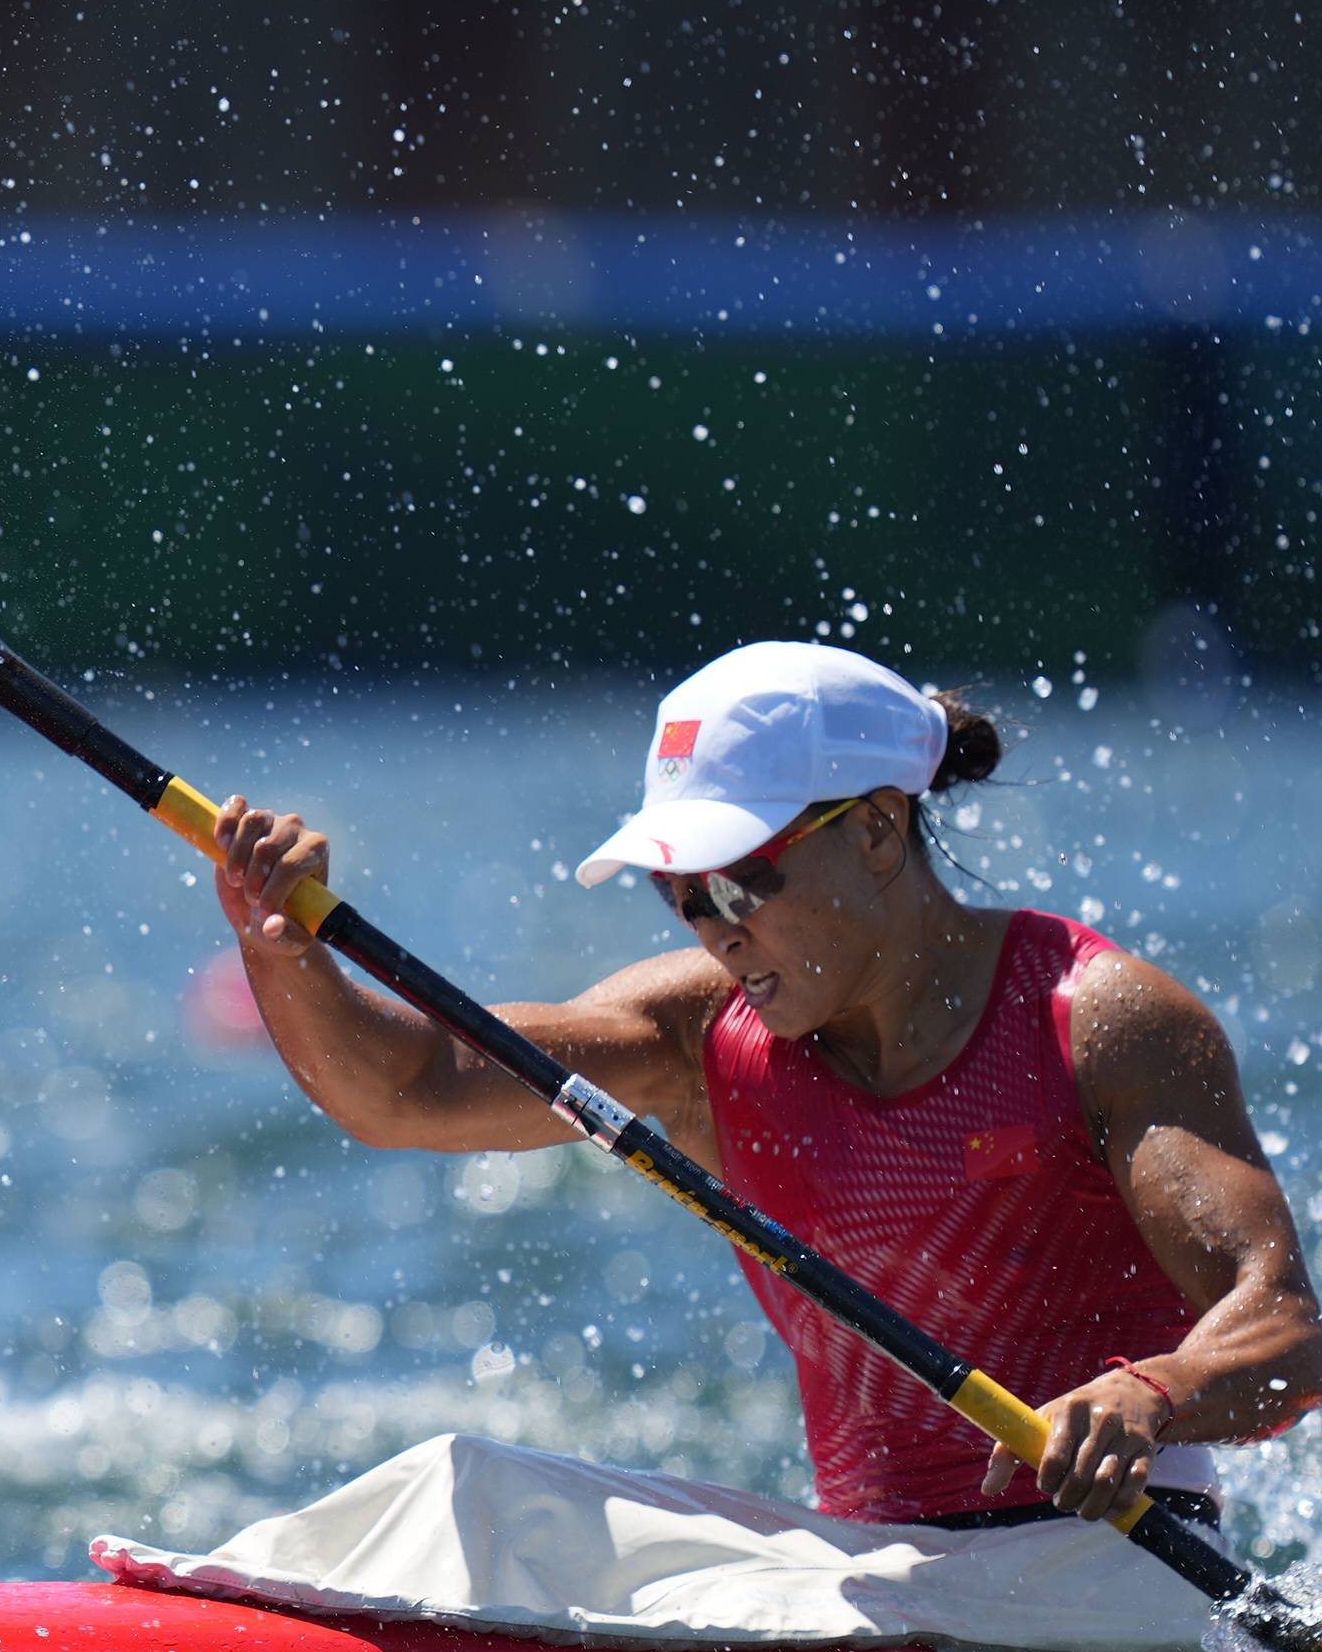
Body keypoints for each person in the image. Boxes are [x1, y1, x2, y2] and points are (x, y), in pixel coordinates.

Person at [207, 640, 1321, 1531]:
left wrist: (1151, 1394)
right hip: (873, 1570)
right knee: (471, 1494)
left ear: (879, 830)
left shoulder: (1103, 1021)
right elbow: (403, 1090)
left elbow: (1285, 1327)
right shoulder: (700, 1030)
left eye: (742, 883)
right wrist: (284, 948)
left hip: (1113, 1565)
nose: (712, 931)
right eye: (680, 895)